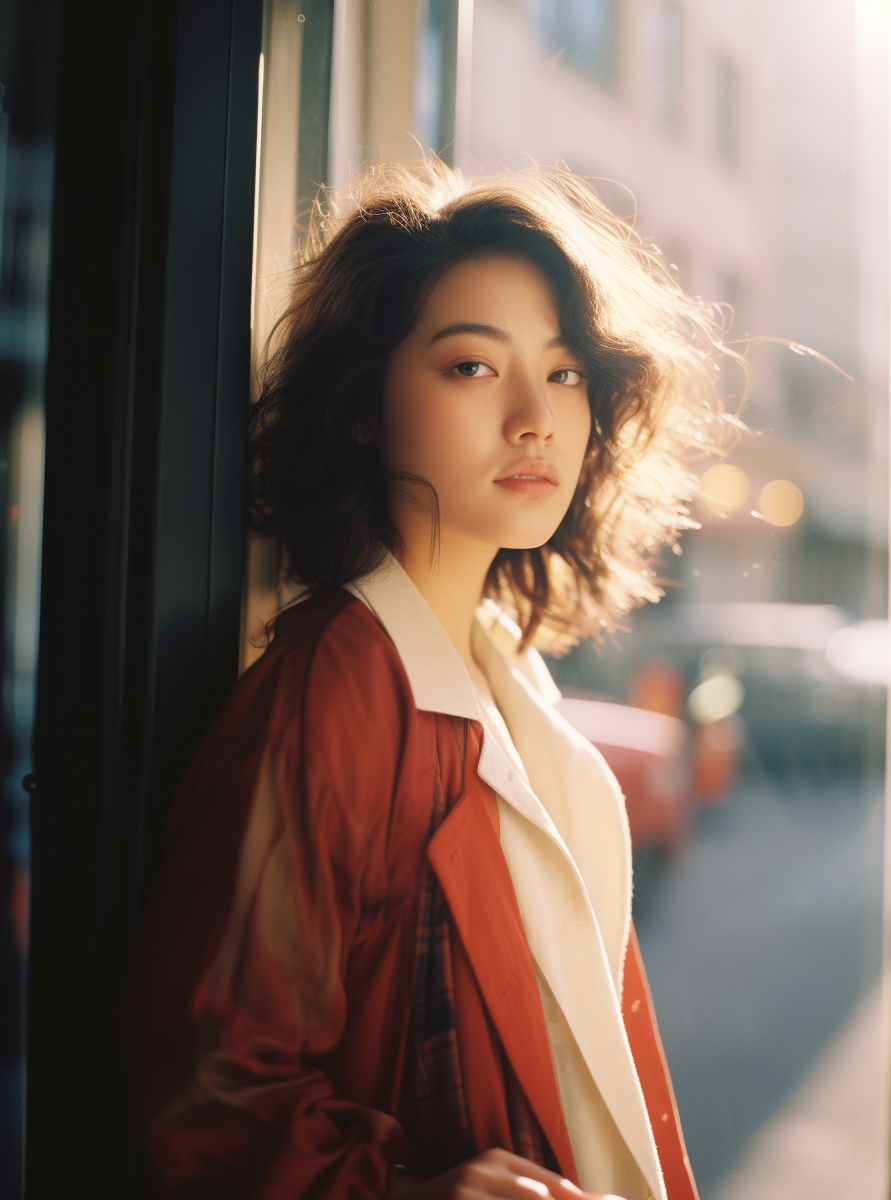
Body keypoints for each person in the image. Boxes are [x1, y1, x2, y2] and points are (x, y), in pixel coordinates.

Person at [125, 159, 727, 1200]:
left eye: (566, 370)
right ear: (363, 408)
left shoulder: (504, 666)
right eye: (471, 368)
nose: (538, 417)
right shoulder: (337, 692)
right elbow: (209, 1085)